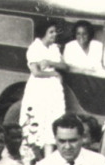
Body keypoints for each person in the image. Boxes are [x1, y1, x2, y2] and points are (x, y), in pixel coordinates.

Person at [19, 22, 68, 157]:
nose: (54, 34)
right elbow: (36, 73)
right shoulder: (34, 48)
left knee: (52, 120)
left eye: (55, 31)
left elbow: (64, 66)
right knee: (36, 120)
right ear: (43, 34)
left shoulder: (54, 48)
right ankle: (30, 157)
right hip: (39, 89)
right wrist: (54, 73)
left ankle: (49, 157)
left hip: (53, 90)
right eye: (51, 32)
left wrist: (51, 63)